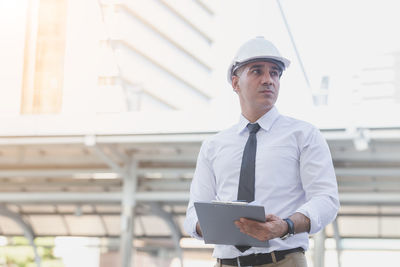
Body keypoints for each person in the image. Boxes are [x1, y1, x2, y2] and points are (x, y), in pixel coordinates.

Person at [184, 36, 340, 267]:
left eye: (275, 73)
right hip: (226, 262)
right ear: (236, 83)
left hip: (283, 261)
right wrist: (222, 226)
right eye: (257, 71)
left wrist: (284, 225)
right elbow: (193, 214)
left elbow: (326, 200)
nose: (269, 80)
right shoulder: (213, 145)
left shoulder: (304, 135)